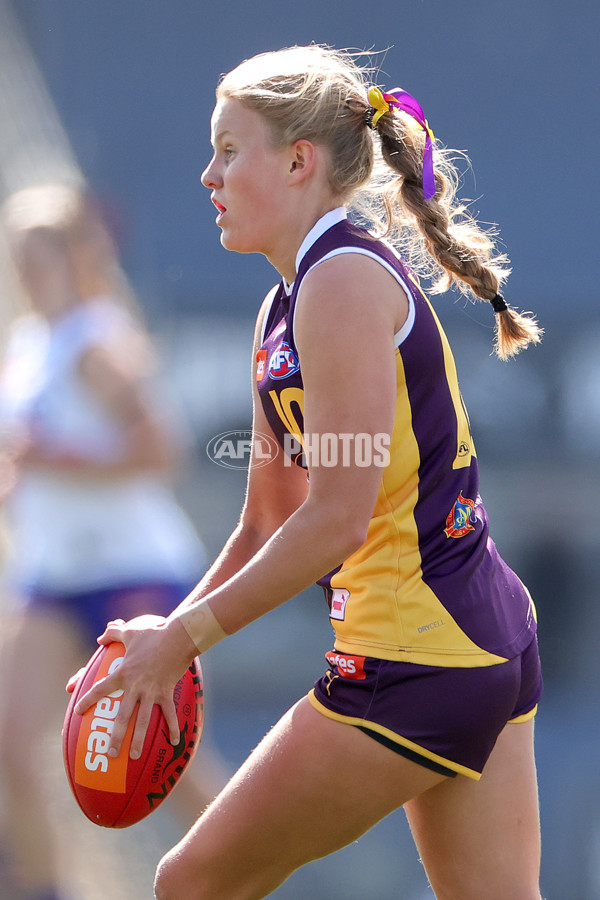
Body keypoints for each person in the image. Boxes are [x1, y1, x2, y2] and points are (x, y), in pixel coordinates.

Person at [72, 45, 544, 900]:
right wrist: (161, 649)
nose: (207, 174)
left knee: (192, 885)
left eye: (227, 148)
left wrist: (180, 641)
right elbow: (264, 520)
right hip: (477, 641)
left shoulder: (341, 286)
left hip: (416, 658)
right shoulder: (285, 301)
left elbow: (336, 520)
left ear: (298, 162)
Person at [0, 183, 225, 900]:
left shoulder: (99, 342)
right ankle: (43, 890)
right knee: (9, 739)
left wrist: (60, 461)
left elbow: (163, 450)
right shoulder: (29, 342)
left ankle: (243, 875)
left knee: (166, 759)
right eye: (19, 260)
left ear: (76, 259)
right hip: (54, 574)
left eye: (39, 259)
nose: (27, 275)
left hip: (133, 570)